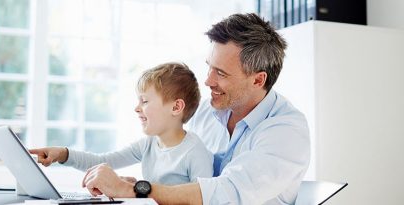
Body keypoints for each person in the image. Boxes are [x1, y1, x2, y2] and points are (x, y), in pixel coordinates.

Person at [78, 13, 311, 205]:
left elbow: (224, 193)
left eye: (221, 73)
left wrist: (135, 189)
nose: (208, 81)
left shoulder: (286, 132)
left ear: (258, 80)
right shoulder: (206, 111)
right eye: (210, 67)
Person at [30, 62, 213, 187]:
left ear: (176, 107)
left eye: (145, 101)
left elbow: (202, 200)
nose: (137, 108)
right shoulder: (148, 145)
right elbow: (103, 162)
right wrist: (62, 154)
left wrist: (136, 190)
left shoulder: (195, 152)